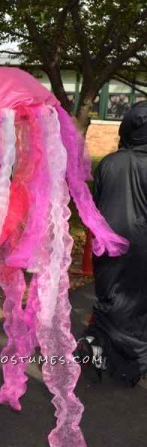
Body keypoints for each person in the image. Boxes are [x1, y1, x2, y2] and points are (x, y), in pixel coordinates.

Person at [77, 100, 147, 386]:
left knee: (110, 297)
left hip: (109, 245)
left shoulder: (109, 162)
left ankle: (102, 352)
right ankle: (136, 359)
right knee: (138, 302)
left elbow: (94, 206)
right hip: (143, 247)